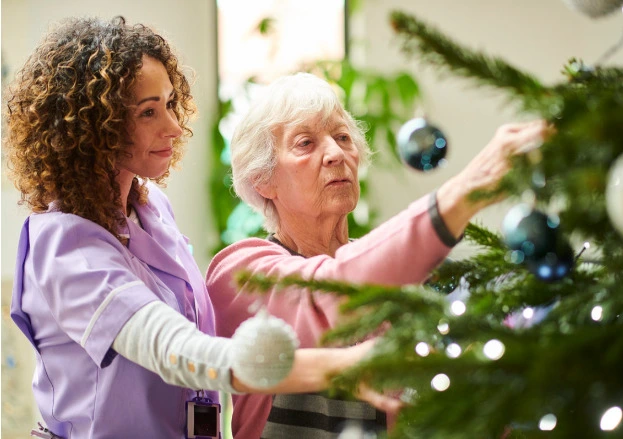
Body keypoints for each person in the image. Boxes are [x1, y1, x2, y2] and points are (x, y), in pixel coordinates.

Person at [4, 17, 400, 439]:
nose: (174, 127)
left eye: (171, 104)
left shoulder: (153, 210)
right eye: (149, 112)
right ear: (93, 127)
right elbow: (177, 351)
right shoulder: (66, 245)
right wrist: (343, 365)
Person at [205, 72, 552, 438]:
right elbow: (333, 295)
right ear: (263, 179)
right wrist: (463, 193)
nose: (337, 154)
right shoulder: (240, 271)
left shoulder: (393, 270)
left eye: (342, 137)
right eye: (306, 143)